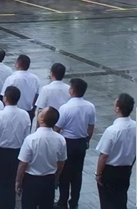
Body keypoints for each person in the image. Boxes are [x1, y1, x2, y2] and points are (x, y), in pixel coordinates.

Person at [54, 78, 95, 209]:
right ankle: (74, 201)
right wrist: (87, 140)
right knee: (77, 173)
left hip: (67, 143)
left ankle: (62, 201)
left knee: (65, 173)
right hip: (81, 142)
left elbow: (57, 127)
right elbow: (91, 127)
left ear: (72, 90)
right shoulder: (90, 106)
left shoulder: (65, 108)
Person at [0, 86, 31, 209]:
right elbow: (26, 137)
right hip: (17, 152)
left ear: (5, 98)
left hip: (0, 153)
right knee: (13, 183)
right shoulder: (25, 115)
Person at [17, 107, 67, 209]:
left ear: (41, 119)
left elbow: (23, 163)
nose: (39, 112)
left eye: (41, 112)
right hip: (49, 179)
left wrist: (18, 180)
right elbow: (61, 162)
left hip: (31, 180)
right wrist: (56, 176)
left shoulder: (31, 139)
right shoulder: (60, 139)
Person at [95, 93, 136, 209]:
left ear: (118, 109)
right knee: (121, 198)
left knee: (107, 201)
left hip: (111, 171)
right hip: (126, 169)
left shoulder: (112, 130)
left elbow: (103, 155)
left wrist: (98, 173)